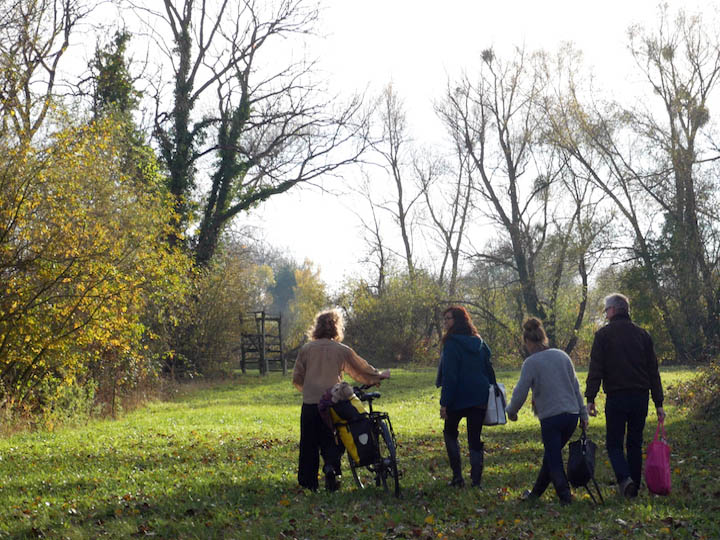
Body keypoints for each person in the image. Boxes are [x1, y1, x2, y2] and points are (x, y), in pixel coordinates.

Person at [292, 308, 390, 492]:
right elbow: (360, 369)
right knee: (334, 439)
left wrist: (308, 390)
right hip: (333, 403)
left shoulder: (306, 349)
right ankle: (331, 468)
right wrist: (378, 376)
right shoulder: (341, 350)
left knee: (309, 443)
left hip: (311, 404)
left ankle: (308, 483)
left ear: (317, 327)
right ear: (336, 328)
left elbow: (297, 378)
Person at [585, 293, 665, 498]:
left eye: (606, 310)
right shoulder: (642, 335)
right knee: (634, 443)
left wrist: (590, 398)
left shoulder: (603, 336)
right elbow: (652, 370)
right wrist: (659, 402)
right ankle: (634, 486)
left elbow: (596, 369)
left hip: (617, 396)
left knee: (613, 442)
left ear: (613, 310)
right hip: (641, 396)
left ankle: (624, 479)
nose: (606, 313)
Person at [506, 317, 588, 505]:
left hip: (551, 417)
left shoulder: (531, 363)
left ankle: (565, 496)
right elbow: (576, 387)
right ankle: (535, 494)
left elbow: (520, 391)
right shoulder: (562, 356)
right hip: (571, 415)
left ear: (527, 342)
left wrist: (511, 411)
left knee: (554, 459)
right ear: (543, 337)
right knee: (551, 455)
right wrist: (583, 414)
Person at [436, 305, 495, 488]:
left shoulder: (452, 343)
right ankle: (476, 481)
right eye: (444, 319)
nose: (445, 322)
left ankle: (457, 478)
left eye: (448, 319)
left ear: (458, 320)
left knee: (450, 433)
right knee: (474, 438)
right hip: (479, 394)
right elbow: (488, 365)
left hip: (458, 396)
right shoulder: (479, 341)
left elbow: (450, 376)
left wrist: (444, 403)